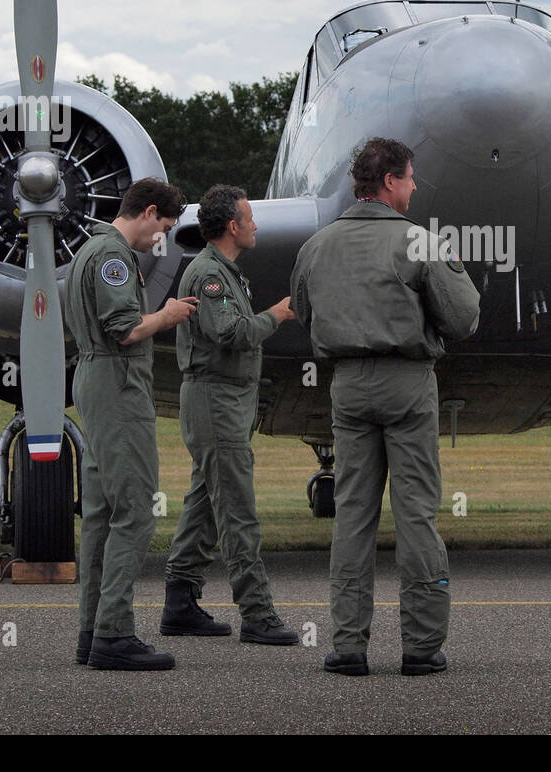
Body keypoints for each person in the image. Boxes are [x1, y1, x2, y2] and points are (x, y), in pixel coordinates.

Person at [290, 138, 480, 676]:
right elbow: (464, 319)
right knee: (416, 512)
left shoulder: (318, 245)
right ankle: (421, 647)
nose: (415, 186)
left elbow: (304, 310)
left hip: (346, 385)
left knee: (352, 513)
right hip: (407, 382)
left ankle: (348, 645)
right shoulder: (420, 242)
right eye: (411, 178)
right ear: (391, 182)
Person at [64, 177, 196, 671]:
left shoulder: (86, 252)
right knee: (135, 510)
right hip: (118, 388)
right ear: (148, 212)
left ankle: (92, 629)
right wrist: (169, 314)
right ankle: (114, 633)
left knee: (100, 513)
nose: (159, 237)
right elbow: (126, 330)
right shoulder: (115, 258)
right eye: (162, 226)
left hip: (93, 383)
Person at [160, 185, 299, 645]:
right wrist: (276, 315)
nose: (256, 224)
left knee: (205, 502)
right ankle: (257, 614)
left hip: (225, 401)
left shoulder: (223, 272)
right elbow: (230, 332)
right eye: (250, 217)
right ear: (233, 226)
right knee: (237, 508)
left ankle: (180, 601)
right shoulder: (210, 275)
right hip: (215, 401)